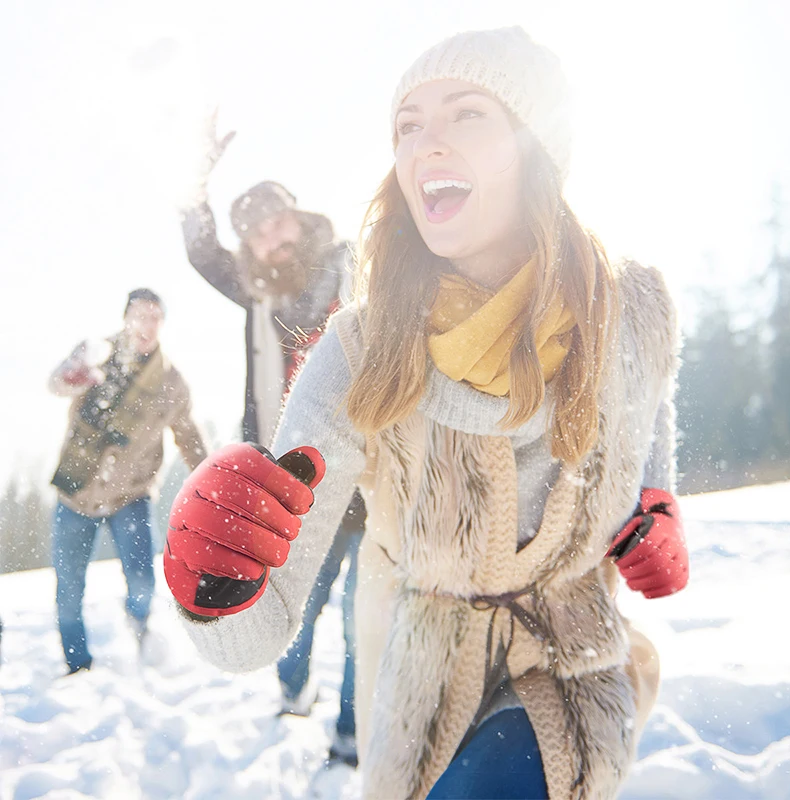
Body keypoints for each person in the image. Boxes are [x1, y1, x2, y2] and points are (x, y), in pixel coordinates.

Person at [164, 26, 689, 800]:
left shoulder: (631, 306)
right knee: (346, 613)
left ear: (535, 139)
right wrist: (218, 581)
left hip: (573, 656)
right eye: (407, 127)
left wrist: (658, 497)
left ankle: (347, 722)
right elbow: (249, 636)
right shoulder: (319, 319)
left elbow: (650, 396)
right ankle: (330, 709)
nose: (425, 144)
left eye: (466, 114)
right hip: (337, 493)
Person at [179, 132, 364, 765]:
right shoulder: (257, 290)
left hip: (376, 471)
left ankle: (351, 731)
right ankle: (294, 688)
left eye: (277, 217)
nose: (272, 234)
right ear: (248, 244)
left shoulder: (354, 264)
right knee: (298, 605)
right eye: (255, 230)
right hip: (294, 483)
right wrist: (194, 182)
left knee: (364, 618)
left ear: (297, 213)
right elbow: (202, 251)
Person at [49, 289, 207, 675]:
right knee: (69, 591)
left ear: (162, 324)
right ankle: (78, 667)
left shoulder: (170, 381)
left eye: (155, 317)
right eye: (140, 315)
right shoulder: (96, 354)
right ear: (125, 319)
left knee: (142, 581)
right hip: (76, 492)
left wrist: (211, 478)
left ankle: (138, 624)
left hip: (130, 495)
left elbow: (188, 436)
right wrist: (75, 375)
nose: (146, 325)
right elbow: (56, 384)